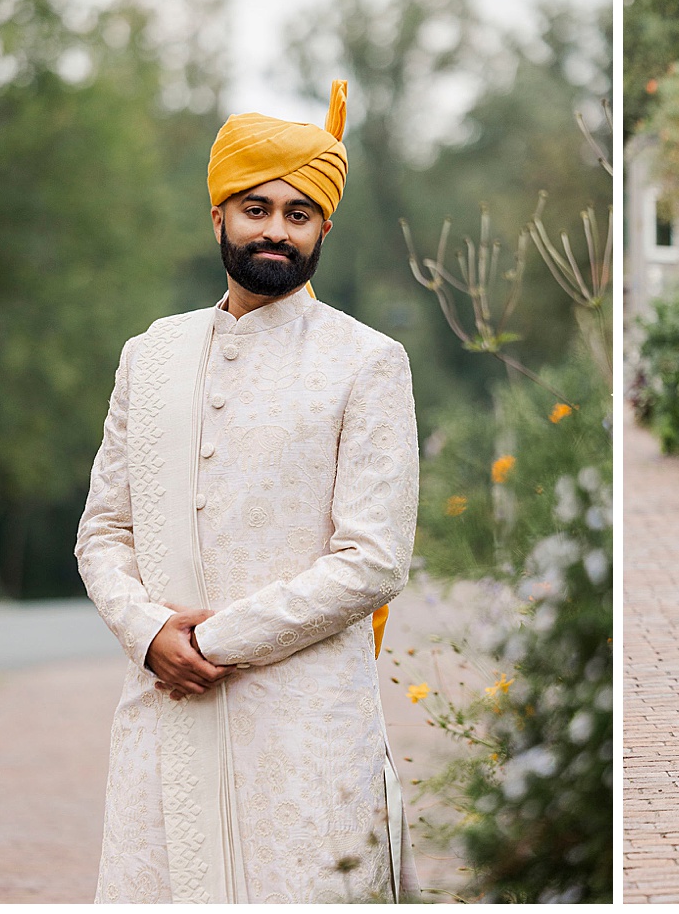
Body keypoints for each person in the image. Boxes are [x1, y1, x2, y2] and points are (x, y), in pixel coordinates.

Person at [76, 80, 421, 902]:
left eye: (298, 214)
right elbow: (102, 532)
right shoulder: (149, 356)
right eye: (256, 208)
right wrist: (150, 630)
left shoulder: (366, 361)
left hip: (306, 729)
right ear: (219, 217)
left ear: (323, 228)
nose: (276, 229)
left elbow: (373, 559)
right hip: (163, 715)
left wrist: (215, 642)